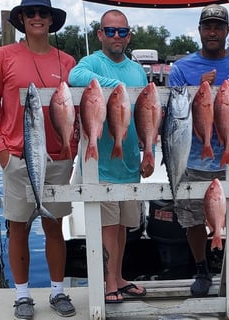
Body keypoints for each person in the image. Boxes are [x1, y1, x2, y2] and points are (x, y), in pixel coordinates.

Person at [0, 0, 77, 320]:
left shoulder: (67, 61)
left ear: (52, 20)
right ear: (21, 19)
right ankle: (22, 296)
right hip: (18, 159)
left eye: (43, 13)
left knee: (55, 227)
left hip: (59, 159)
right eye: (31, 13)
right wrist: (2, 152)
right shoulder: (2, 57)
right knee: (18, 227)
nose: (37, 18)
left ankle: (57, 290)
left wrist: (72, 147)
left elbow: (75, 114)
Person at [168, 4, 229, 300]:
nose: (213, 32)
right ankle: (202, 269)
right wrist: (197, 89)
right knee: (193, 219)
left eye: (219, 26)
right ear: (200, 31)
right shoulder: (181, 69)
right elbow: (175, 114)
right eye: (208, 27)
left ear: (227, 31)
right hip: (192, 159)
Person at [69, 9, 148, 304]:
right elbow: (75, 76)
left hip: (129, 161)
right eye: (111, 31)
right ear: (100, 34)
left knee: (125, 225)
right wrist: (114, 87)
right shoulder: (91, 62)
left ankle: (119, 276)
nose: (117, 36)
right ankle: (108, 281)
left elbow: (143, 111)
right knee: (107, 226)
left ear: (129, 35)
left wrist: (147, 151)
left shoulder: (137, 70)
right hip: (101, 164)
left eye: (122, 31)